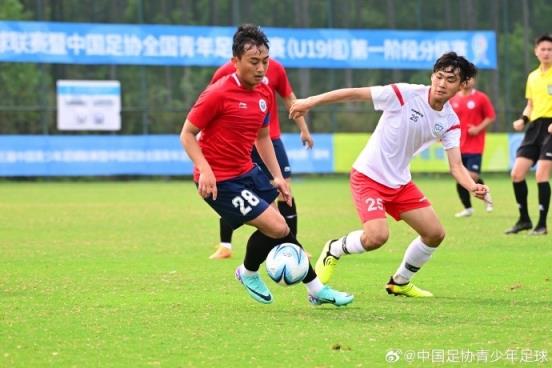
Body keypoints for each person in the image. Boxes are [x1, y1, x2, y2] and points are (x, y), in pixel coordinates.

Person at [290, 52, 489, 297]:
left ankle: (400, 281)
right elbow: (354, 93)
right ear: (432, 76)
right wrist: (309, 102)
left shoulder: (449, 121)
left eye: (450, 80)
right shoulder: (404, 94)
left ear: (462, 85)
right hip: (368, 176)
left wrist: (473, 186)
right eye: (439, 77)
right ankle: (334, 249)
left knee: (435, 233)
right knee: (376, 237)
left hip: (400, 183)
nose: (442, 84)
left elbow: (456, 166)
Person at [180, 24, 353, 307]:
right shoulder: (217, 93)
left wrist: (277, 177)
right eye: (253, 62)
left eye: (265, 61)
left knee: (280, 226)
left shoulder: (264, 93)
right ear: (235, 62)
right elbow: (186, 135)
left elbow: (262, 137)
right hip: (221, 181)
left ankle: (315, 289)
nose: (261, 69)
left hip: (246, 170)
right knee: (277, 227)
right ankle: (249, 273)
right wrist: (206, 169)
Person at [208, 56, 314, 260]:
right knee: (238, 191)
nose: (260, 67)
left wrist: (304, 129)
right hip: (243, 141)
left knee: (284, 193)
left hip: (270, 139)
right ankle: (225, 245)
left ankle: (292, 247)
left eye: (263, 57)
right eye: (254, 57)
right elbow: (210, 104)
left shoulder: (276, 69)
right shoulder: (225, 72)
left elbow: (290, 99)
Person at [505, 34, 552, 236]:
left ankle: (541, 224)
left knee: (541, 174)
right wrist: (522, 120)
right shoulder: (533, 76)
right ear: (536, 51)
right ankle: (524, 219)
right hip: (535, 127)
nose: (547, 53)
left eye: (550, 49)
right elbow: (530, 105)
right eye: (543, 49)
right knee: (517, 173)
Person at [450, 76, 496, 217]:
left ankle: (485, 192)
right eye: (464, 79)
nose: (467, 81)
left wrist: (478, 128)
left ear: (474, 80)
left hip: (475, 145)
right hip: (457, 145)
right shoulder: (453, 99)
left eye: (469, 78)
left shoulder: (481, 98)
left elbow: (490, 116)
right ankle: (468, 208)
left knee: (472, 176)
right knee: (459, 176)